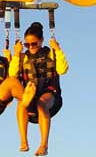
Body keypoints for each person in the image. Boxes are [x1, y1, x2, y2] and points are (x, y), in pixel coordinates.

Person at [9, 22, 69, 156]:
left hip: (50, 94)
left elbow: (62, 69)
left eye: (34, 44)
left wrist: (58, 50)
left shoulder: (50, 53)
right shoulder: (23, 57)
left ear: (41, 41)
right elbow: (12, 75)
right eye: (27, 45)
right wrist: (17, 54)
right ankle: (24, 141)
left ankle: (44, 145)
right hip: (30, 96)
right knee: (21, 102)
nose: (30, 47)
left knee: (41, 102)